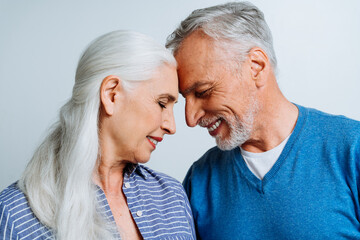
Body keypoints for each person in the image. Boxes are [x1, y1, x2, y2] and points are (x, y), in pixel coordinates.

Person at [166, 2, 360, 239]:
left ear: (256, 67)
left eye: (203, 91)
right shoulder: (199, 180)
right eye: (185, 98)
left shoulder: (351, 149)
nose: (190, 118)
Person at [0, 30, 196, 240]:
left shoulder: (172, 197)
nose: (172, 126)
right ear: (111, 95)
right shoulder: (14, 213)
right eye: (162, 103)